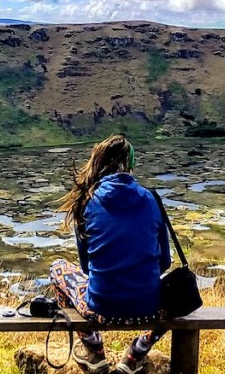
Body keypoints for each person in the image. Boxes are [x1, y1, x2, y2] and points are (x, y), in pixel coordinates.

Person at [51, 134, 171, 374]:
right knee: (176, 295)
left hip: (101, 308)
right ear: (131, 165)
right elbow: (165, 262)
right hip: (148, 308)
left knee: (57, 269)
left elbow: (86, 267)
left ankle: (94, 348)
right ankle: (137, 352)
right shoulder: (151, 199)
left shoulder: (87, 202)